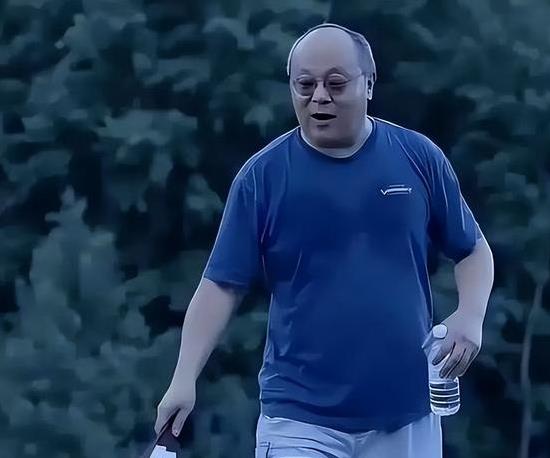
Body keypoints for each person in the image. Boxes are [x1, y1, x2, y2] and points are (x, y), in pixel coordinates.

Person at [155, 23, 494, 458]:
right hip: (299, 418)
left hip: (406, 414)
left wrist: (471, 315)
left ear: (368, 84)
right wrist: (183, 378)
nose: (319, 97)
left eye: (335, 84)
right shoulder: (263, 177)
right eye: (305, 85)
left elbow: (472, 250)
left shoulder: (417, 157)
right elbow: (221, 285)